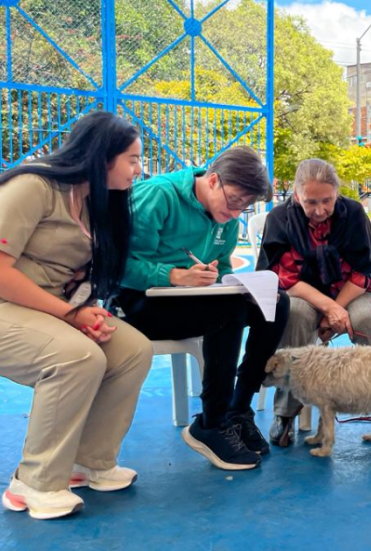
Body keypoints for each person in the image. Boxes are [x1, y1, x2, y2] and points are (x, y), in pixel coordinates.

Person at [0, 112, 153, 519]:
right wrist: (72, 314)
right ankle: (33, 483)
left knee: (133, 350)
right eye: (132, 158)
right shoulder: (32, 186)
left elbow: (76, 275)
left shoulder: (96, 202)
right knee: (76, 356)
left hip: (36, 306)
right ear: (101, 155)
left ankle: (87, 461)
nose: (138, 169)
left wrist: (85, 309)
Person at [116, 146, 289, 471]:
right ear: (212, 181)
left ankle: (238, 409)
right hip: (136, 304)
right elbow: (117, 266)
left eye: (246, 207)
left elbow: (221, 266)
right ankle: (211, 422)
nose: (237, 213)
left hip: (188, 301)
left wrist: (225, 279)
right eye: (234, 201)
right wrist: (174, 275)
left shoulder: (226, 221)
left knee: (276, 302)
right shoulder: (158, 197)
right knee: (228, 313)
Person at [256, 159, 371, 448]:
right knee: (297, 315)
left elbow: (364, 271)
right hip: (303, 293)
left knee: (365, 319)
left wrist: (335, 309)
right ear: (296, 194)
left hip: (349, 290)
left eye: (327, 200)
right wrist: (329, 309)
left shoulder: (353, 214)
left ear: (337, 192)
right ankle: (286, 412)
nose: (319, 210)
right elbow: (283, 278)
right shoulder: (280, 218)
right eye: (310, 202)